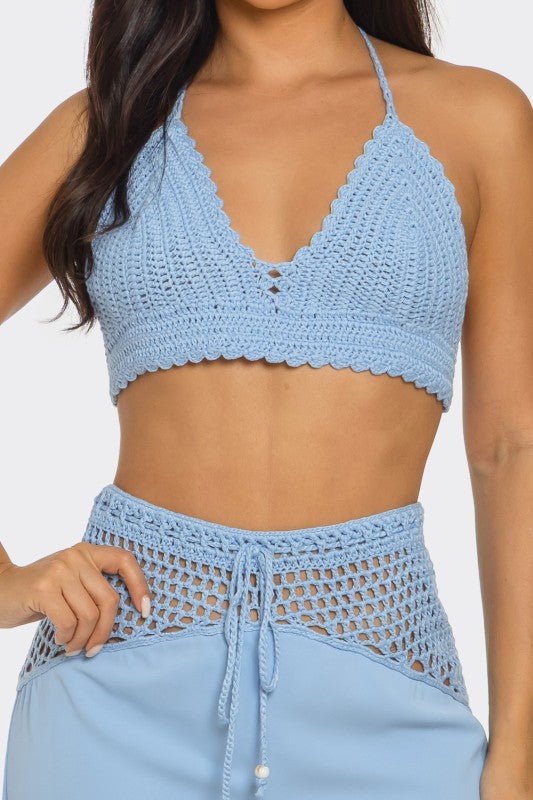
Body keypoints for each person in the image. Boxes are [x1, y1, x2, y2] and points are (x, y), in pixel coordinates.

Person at [1, 2, 532, 799]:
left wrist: (520, 752)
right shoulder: (108, 127)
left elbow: (509, 448)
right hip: (111, 697)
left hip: (384, 704)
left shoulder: (478, 119)